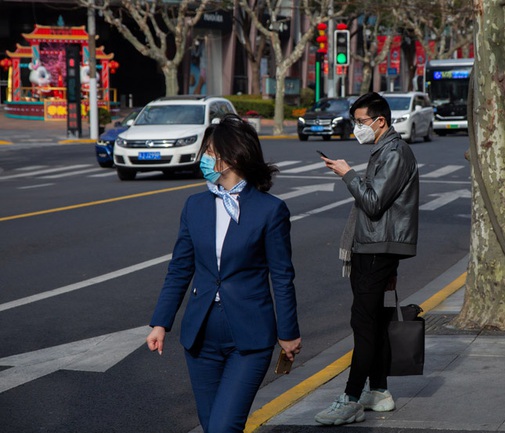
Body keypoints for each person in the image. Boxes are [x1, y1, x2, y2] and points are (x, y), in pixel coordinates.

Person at [145, 114, 301, 433]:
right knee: (210, 425)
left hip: (249, 335)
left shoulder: (270, 210)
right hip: (201, 336)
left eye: (209, 152)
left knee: (223, 428)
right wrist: (161, 322)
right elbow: (180, 269)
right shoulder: (195, 206)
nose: (203, 158)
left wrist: (288, 331)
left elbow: (282, 275)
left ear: (230, 157)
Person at [314, 92, 419, 425]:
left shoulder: (395, 152)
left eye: (360, 122)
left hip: (376, 249)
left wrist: (347, 173)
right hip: (373, 247)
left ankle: (351, 397)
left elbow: (373, 203)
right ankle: (379, 390)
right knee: (371, 321)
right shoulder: (384, 150)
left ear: (380, 122)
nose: (356, 128)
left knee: (363, 323)